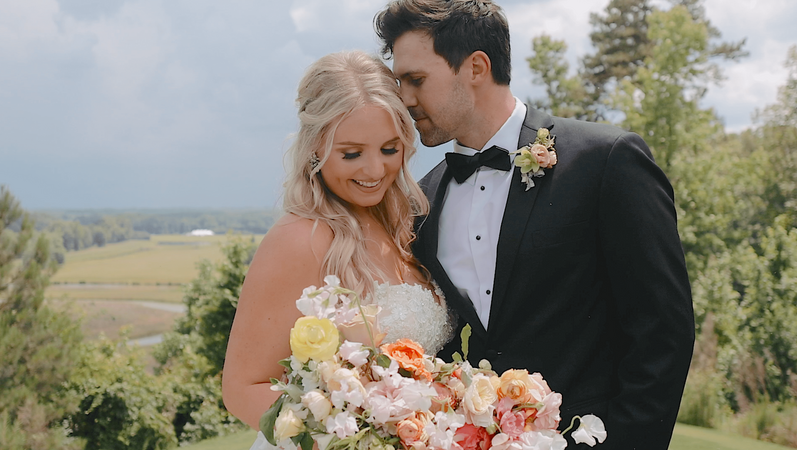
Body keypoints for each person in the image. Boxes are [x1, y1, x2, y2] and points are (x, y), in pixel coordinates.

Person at [374, 1, 695, 449]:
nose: (404, 98)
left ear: (476, 67)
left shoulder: (606, 161)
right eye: (399, 83)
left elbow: (663, 333)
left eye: (416, 80)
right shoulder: (422, 200)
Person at [221, 50, 454, 447]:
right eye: (351, 154)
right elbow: (242, 388)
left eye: (388, 149)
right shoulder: (300, 239)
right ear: (315, 147)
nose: (375, 170)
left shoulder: (401, 227)